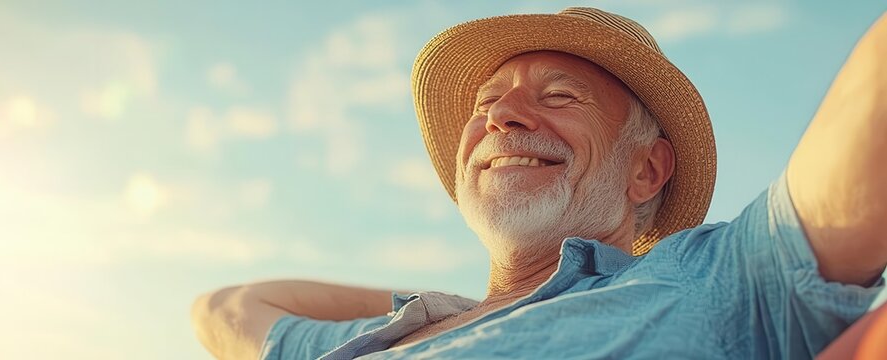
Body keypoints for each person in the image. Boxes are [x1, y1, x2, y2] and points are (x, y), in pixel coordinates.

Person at [191, 7, 887, 359]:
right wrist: (454, 310)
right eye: (485, 104)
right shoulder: (381, 337)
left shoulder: (720, 279)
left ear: (645, 170)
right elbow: (227, 305)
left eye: (558, 98)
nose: (501, 116)